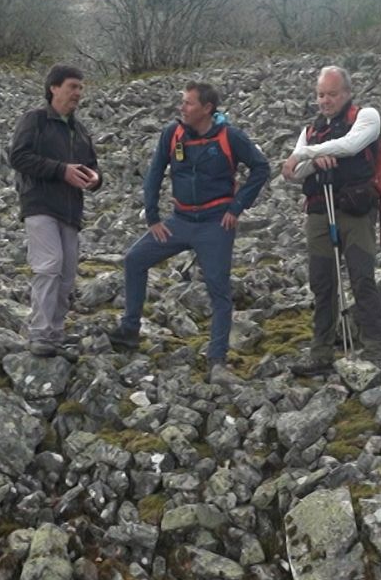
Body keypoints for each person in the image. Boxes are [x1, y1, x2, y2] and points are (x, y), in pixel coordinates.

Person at [107, 82, 269, 385]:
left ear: (207, 109)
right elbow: (155, 173)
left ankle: (217, 360)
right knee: (134, 259)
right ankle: (129, 330)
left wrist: (236, 208)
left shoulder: (229, 136)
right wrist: (153, 217)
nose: (182, 108)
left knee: (218, 289)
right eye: (182, 102)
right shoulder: (173, 133)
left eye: (188, 103)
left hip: (215, 224)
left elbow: (261, 167)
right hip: (178, 220)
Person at [280, 65, 381, 376]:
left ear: (347, 93)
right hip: (319, 211)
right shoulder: (311, 129)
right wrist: (313, 161)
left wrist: (308, 155)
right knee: (322, 282)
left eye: (331, 94)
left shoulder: (367, 116)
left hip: (355, 210)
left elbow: (351, 145)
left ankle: (376, 349)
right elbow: (292, 173)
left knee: (362, 277)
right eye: (320, 95)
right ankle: (321, 351)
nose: (324, 101)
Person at [9, 64, 102, 359]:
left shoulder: (80, 129)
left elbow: (92, 166)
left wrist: (96, 178)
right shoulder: (35, 120)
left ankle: (55, 333)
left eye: (80, 88)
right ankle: (39, 333)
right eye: (73, 86)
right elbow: (19, 157)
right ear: (54, 88)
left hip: (71, 209)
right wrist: (61, 170)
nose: (78, 93)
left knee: (66, 273)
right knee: (49, 265)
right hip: (39, 203)